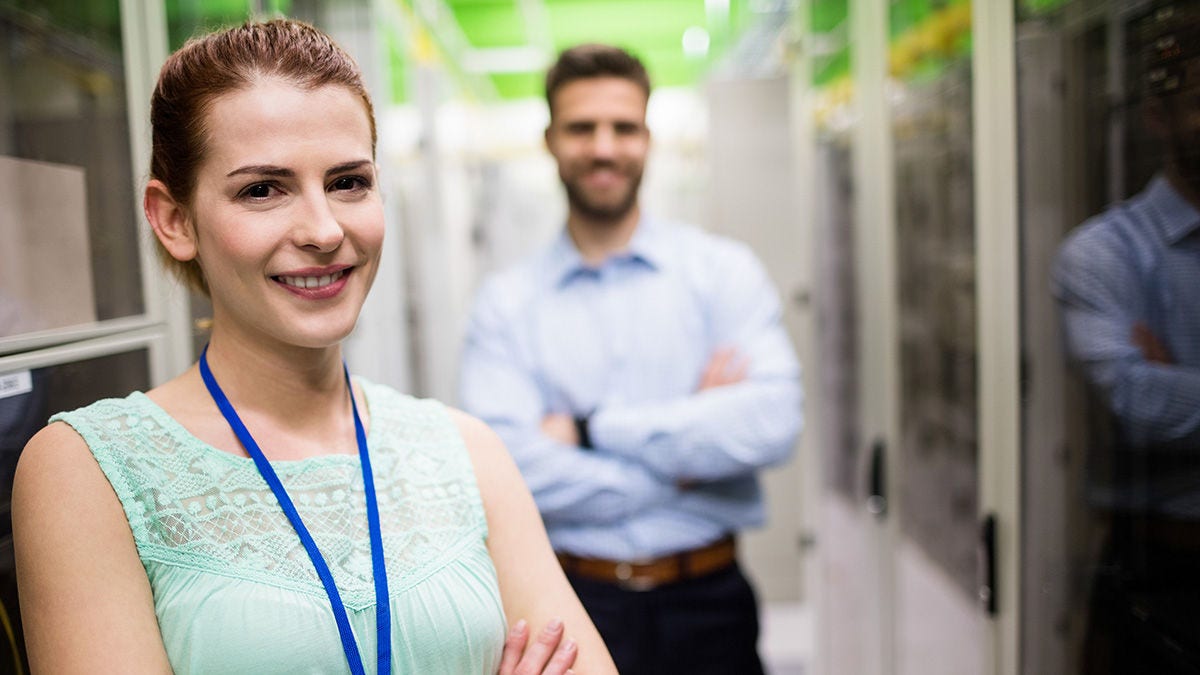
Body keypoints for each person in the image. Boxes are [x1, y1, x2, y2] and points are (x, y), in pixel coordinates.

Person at [12, 19, 615, 675]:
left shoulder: (463, 449)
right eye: (262, 189)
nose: (324, 230)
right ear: (175, 220)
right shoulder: (88, 470)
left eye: (348, 181)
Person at [459, 43, 803, 675]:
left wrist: (592, 432)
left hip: (710, 602)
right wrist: (688, 458)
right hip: (569, 606)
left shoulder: (722, 274)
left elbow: (773, 422)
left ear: (648, 136)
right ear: (550, 140)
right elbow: (506, 474)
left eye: (623, 127)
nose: (604, 148)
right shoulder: (506, 304)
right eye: (582, 128)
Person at [1052, 2, 1200, 671]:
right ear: (1156, 118)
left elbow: (1163, 396)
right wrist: (1156, 387)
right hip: (1166, 572)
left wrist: (1181, 384)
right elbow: (1138, 404)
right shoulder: (1104, 254)